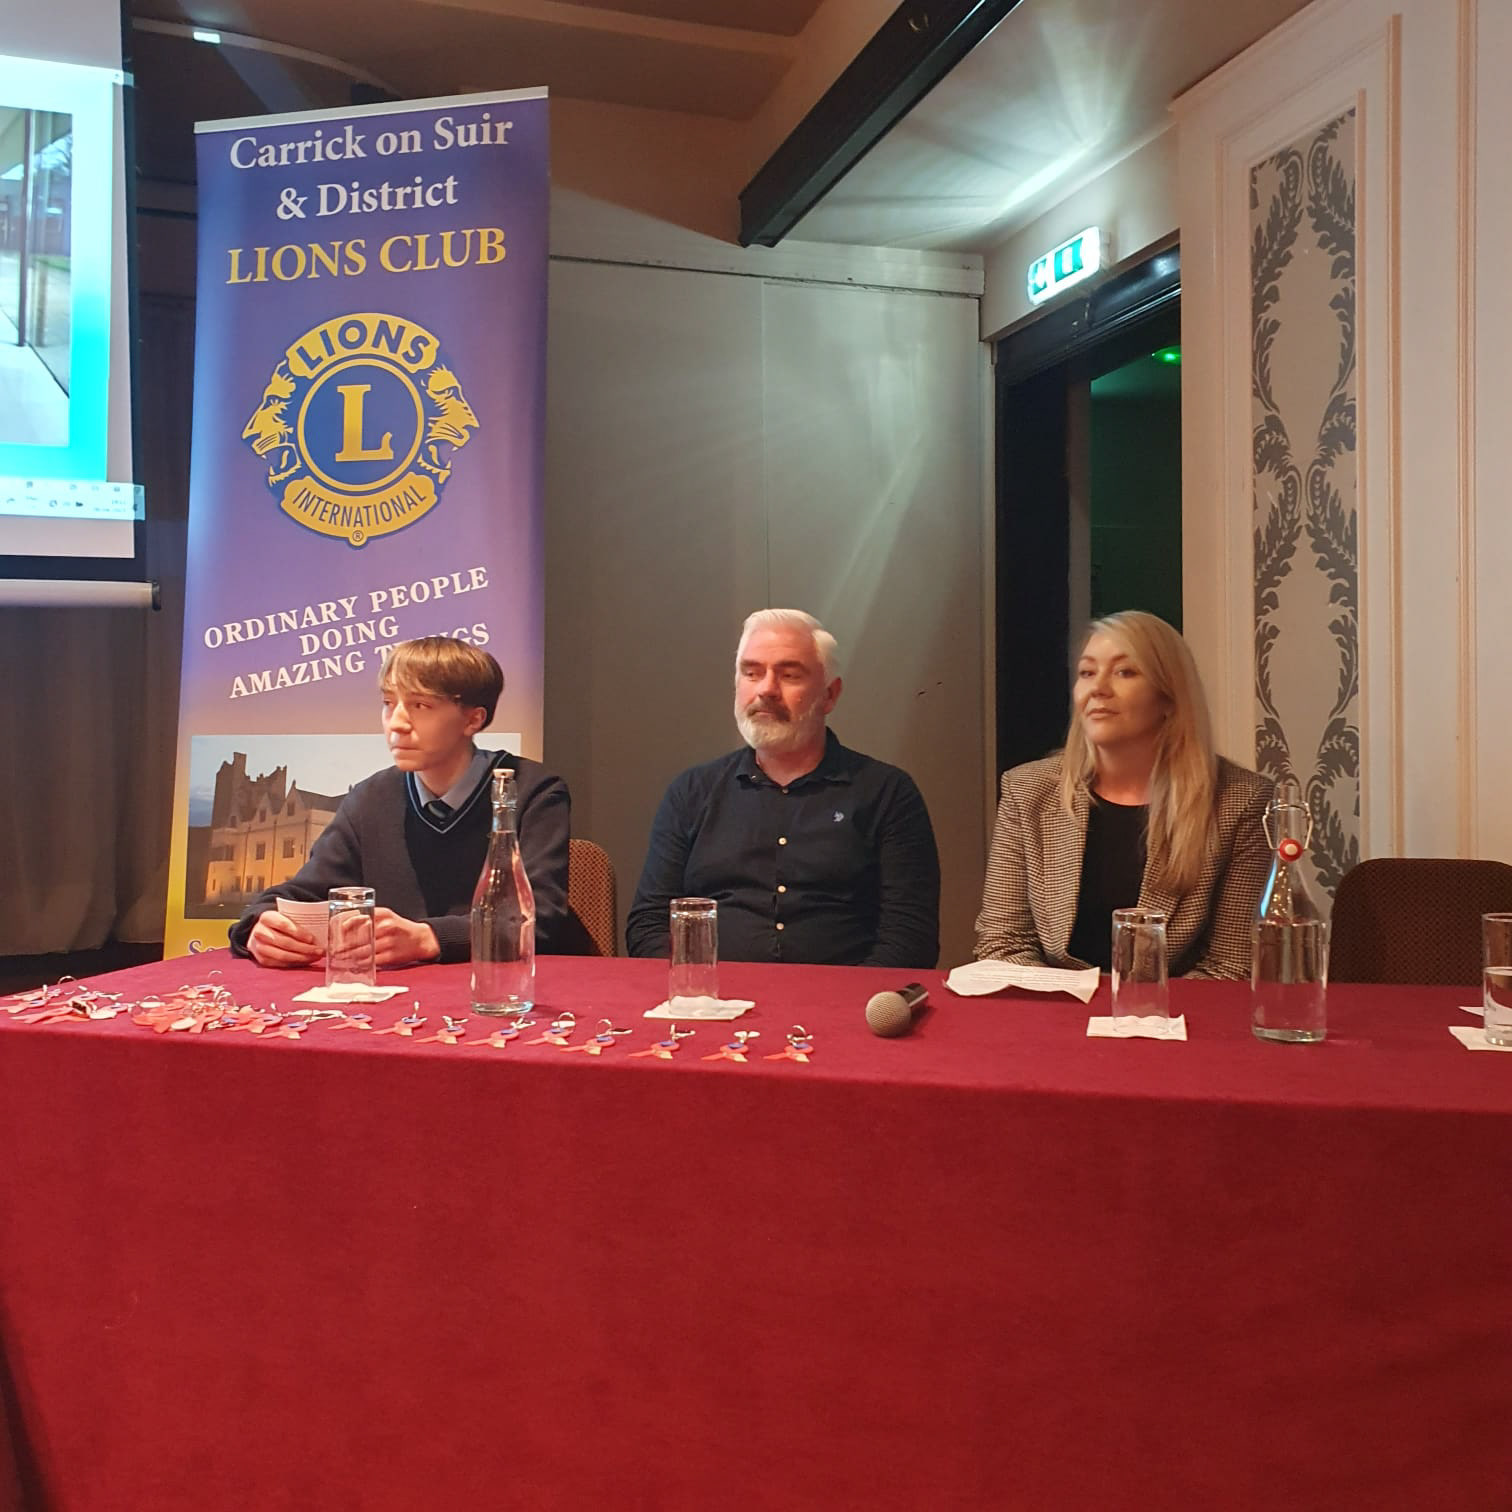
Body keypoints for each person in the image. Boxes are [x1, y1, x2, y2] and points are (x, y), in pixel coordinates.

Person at [230, 636, 572, 967]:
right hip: (397, 995)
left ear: (473, 719)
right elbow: (305, 891)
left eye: (420, 705)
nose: (396, 724)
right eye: (388, 703)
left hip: (502, 991)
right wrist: (258, 926)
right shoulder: (370, 798)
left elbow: (539, 919)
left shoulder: (533, 791)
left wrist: (428, 938)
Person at [627, 609, 940, 967]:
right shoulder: (691, 792)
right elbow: (649, 924)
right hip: (710, 997)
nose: (766, 690)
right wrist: (693, 987)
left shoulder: (887, 794)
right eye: (752, 673)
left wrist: (853, 1000)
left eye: (789, 675)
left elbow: (910, 939)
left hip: (845, 999)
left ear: (830, 695)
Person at [974, 610, 1271, 980]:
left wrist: (1136, 1006)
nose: (1098, 688)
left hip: (1175, 1011)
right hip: (1055, 1007)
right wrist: (1076, 1004)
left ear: (1169, 698)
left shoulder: (1240, 801)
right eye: (1087, 672)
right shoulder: (1028, 790)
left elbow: (1231, 967)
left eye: (1124, 672)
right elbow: (1003, 943)